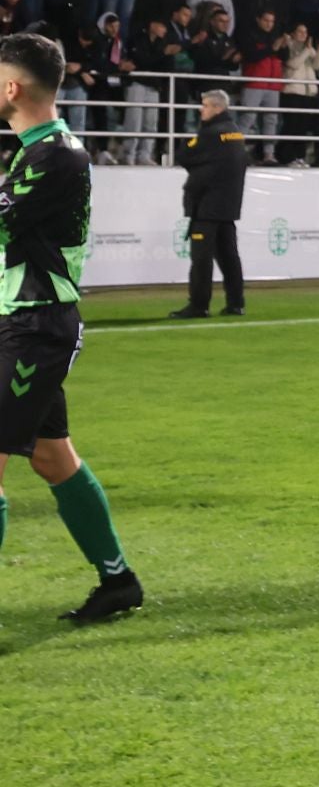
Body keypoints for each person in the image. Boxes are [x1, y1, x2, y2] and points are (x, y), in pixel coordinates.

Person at [0, 33, 144, 622]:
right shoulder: (37, 149)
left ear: (12, 87)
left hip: (36, 327)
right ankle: (118, 582)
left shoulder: (54, 155)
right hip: (28, 322)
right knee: (53, 458)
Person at [170, 91, 247, 318]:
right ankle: (236, 303)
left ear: (217, 108)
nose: (201, 110)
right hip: (228, 206)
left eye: (205, 106)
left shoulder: (210, 134)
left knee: (201, 259)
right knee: (229, 257)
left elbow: (184, 155)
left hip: (207, 205)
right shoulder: (235, 133)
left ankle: (199, 305)